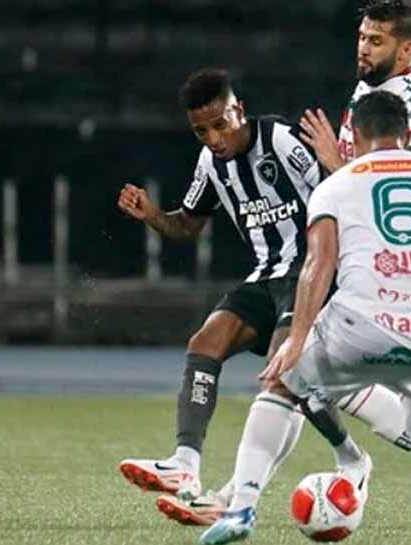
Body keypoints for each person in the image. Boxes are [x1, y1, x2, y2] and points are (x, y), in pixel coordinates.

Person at [199, 90, 411, 545]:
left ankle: (242, 508)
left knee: (283, 384)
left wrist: (296, 337)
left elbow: (318, 265)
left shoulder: (338, 185)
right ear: (407, 135)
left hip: (360, 327)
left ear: (356, 135)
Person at [298, 0, 411, 525]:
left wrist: (333, 166)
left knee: (308, 369)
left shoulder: (408, 105)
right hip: (355, 250)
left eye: (376, 40)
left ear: (407, 50)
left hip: (388, 263)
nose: (363, 46)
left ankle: (371, 463)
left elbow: (402, 185)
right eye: (362, 36)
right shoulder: (372, 87)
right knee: (333, 375)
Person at [117, 66, 320, 508]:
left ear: (239, 111)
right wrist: (152, 215)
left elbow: (335, 191)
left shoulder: (282, 140)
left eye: (220, 124)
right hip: (266, 276)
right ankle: (184, 463)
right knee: (205, 342)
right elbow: (187, 225)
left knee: (286, 381)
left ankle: (236, 499)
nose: (213, 138)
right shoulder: (210, 164)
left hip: (310, 274)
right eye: (201, 131)